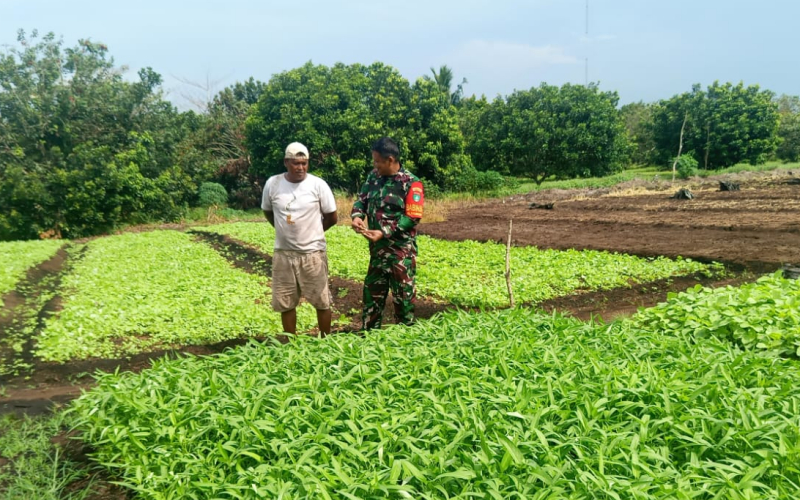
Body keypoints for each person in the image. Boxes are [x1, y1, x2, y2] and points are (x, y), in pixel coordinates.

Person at [262, 142, 338, 335]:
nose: (301, 168)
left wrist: (313, 233)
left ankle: (326, 340)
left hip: (312, 252)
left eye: (304, 163)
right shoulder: (273, 183)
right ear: (286, 162)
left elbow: (332, 217)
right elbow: (268, 211)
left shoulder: (318, 185)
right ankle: (291, 343)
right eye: (296, 163)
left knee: (322, 301)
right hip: (283, 253)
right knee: (285, 301)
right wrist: (283, 230)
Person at [350, 137, 424, 330]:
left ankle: (405, 343)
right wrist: (357, 215)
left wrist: (383, 232)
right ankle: (369, 340)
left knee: (403, 301)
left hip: (401, 256)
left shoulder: (411, 183)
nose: (375, 165)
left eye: (377, 161)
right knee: (371, 300)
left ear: (390, 160)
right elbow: (361, 200)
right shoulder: (373, 178)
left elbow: (412, 217)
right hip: (377, 254)